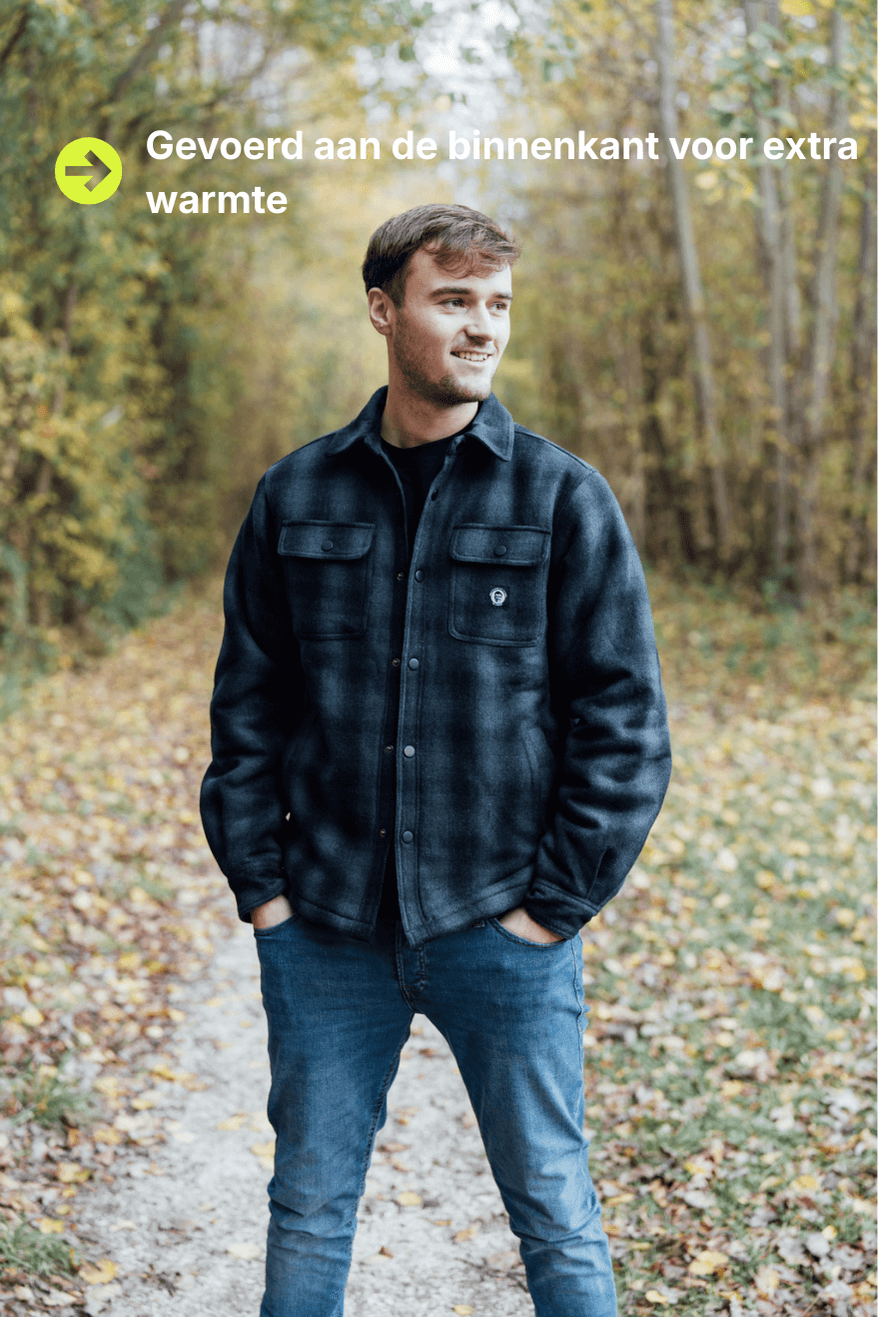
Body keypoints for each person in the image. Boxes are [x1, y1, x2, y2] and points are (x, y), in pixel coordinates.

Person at [200, 203, 672, 1317]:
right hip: (326, 931)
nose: (482, 326)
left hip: (501, 926)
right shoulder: (295, 494)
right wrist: (263, 893)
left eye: (497, 304)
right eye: (452, 299)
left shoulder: (562, 496)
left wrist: (551, 911)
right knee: (307, 1207)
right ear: (383, 310)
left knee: (555, 1209)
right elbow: (248, 710)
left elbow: (625, 723)